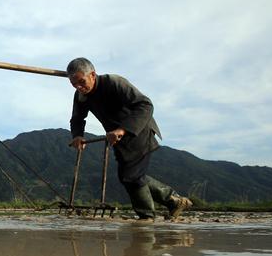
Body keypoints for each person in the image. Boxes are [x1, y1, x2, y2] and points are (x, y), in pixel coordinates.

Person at [66, 57, 191, 221]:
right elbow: (77, 118)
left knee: (131, 176)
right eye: (74, 84)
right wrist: (77, 135)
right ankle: (174, 200)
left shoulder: (114, 83)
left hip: (138, 131)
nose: (79, 87)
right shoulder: (81, 96)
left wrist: (122, 129)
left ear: (93, 75)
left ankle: (147, 217)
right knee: (131, 175)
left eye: (81, 82)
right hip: (118, 138)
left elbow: (145, 105)